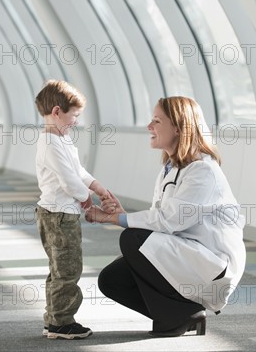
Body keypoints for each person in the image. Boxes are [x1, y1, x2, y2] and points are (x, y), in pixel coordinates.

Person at [85, 96, 246, 337]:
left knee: (132, 239)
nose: (149, 126)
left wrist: (115, 219)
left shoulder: (203, 171)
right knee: (111, 280)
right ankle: (185, 313)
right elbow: (161, 220)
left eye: (157, 121)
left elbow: (171, 221)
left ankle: (176, 318)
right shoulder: (170, 169)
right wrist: (123, 215)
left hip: (213, 268)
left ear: (179, 128)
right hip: (187, 255)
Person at [35, 79, 108, 340]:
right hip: (59, 216)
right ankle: (61, 322)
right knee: (67, 270)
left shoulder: (61, 140)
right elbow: (69, 181)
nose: (76, 121)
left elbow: (77, 171)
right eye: (74, 115)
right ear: (57, 112)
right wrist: (86, 199)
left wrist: (95, 186)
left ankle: (54, 319)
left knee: (59, 269)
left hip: (60, 213)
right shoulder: (51, 144)